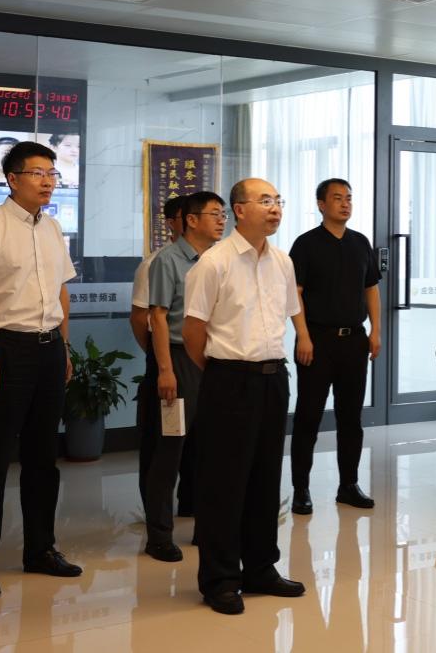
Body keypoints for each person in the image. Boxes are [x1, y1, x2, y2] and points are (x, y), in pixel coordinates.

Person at [0, 141, 80, 599]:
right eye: (37, 173)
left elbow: (61, 292)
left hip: (49, 349)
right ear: (12, 179)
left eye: (52, 174)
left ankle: (40, 550)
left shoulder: (53, 227)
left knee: (43, 458)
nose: (48, 182)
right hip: (7, 349)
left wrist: (64, 348)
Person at [182, 178, 308, 615]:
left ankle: (260, 568)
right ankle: (219, 579)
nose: (275, 208)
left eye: (278, 200)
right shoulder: (213, 263)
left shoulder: (282, 261)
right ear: (239, 210)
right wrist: (223, 373)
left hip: (274, 379)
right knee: (223, 483)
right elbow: (193, 332)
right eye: (265, 201)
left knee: (265, 479)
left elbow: (288, 315)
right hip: (229, 379)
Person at [289, 178, 381, 515]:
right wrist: (302, 335)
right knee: (308, 417)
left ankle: (348, 485)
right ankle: (301, 489)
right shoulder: (306, 244)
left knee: (351, 417)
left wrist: (376, 331)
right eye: (338, 198)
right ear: (321, 204)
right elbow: (295, 294)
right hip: (317, 340)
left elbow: (371, 288)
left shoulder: (360, 242)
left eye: (349, 198)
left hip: (354, 339)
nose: (345, 204)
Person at [142, 191, 225, 562]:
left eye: (224, 214)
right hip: (178, 360)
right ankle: (159, 536)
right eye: (214, 214)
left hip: (213, 359)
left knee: (210, 449)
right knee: (169, 450)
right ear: (191, 220)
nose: (222, 220)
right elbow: (157, 317)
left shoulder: (220, 259)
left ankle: (207, 528)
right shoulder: (168, 260)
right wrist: (165, 370)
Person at [131, 195, 187, 513]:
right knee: (163, 441)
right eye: (186, 217)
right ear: (171, 223)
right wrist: (159, 357)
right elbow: (141, 319)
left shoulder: (212, 262)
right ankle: (156, 512)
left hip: (200, 362)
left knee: (195, 440)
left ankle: (191, 503)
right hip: (167, 360)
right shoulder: (156, 263)